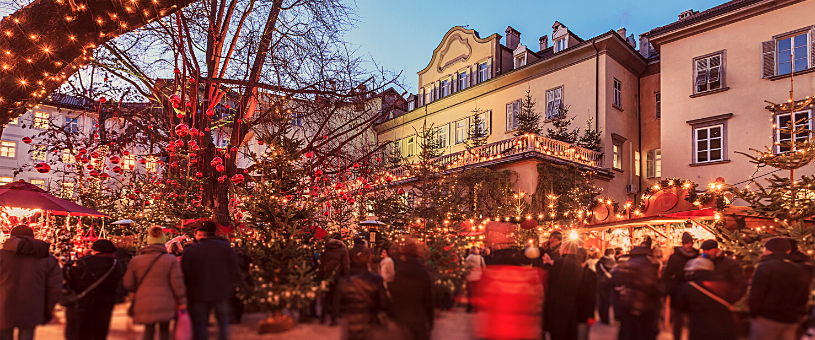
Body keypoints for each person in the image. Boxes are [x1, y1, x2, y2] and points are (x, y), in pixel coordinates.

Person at [124, 226, 187, 340]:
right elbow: (177, 283)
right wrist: (182, 301)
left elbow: (128, 283)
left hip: (144, 300)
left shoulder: (136, 261)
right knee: (164, 330)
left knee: (148, 329)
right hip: (166, 300)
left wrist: (139, 290)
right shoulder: (170, 260)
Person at [181, 221, 240, 340]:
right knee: (223, 320)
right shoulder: (225, 247)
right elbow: (234, 268)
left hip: (198, 291)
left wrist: (189, 286)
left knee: (200, 323)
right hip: (221, 289)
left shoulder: (192, 249)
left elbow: (185, 271)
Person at [0, 226, 62, 340]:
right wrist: (47, 310)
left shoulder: (2, 256)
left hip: (3, 309)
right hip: (33, 308)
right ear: (32, 237)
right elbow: (55, 288)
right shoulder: (47, 259)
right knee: (26, 336)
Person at [475, 246, 545, 340]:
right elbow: (538, 304)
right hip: (523, 329)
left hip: (498, 330)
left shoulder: (494, 280)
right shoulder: (533, 278)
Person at [64, 239, 126, 340]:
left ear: (96, 251)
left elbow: (69, 275)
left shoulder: (86, 262)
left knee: (78, 334)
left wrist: (68, 264)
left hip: (83, 305)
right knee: (98, 334)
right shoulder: (116, 265)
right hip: (104, 306)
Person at [748, 237, 809, 340]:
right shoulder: (798, 269)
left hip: (767, 319)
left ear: (768, 250)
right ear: (788, 251)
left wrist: (754, 313)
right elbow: (804, 295)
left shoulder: (765, 267)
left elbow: (756, 294)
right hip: (791, 320)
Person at [336, 241, 392, 340]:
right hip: (370, 326)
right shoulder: (376, 280)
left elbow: (338, 307)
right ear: (368, 261)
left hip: (350, 327)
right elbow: (385, 304)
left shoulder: (345, 282)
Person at [677, 257, 737, 340]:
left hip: (700, 330)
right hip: (725, 328)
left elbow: (680, 306)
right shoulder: (722, 284)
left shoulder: (689, 287)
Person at [613, 244, 661, 340]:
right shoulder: (651, 266)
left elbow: (615, 290)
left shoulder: (623, 265)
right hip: (646, 310)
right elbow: (656, 289)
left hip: (627, 308)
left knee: (628, 333)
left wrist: (618, 313)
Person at [388, 239, 433, 340]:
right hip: (417, 320)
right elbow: (428, 301)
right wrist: (430, 323)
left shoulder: (396, 271)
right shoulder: (422, 273)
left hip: (399, 321)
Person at [662, 232, 699, 340]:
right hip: (677, 291)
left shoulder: (696, 255)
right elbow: (667, 274)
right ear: (683, 243)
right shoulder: (675, 257)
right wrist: (668, 289)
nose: (689, 245)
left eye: (690, 242)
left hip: (693, 290)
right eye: (687, 243)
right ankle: (677, 337)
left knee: (693, 319)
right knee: (678, 319)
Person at [544, 240, 583, 340]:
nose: (560, 252)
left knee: (558, 334)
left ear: (565, 250)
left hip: (558, 305)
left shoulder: (560, 263)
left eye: (561, 249)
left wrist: (547, 264)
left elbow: (549, 277)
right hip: (573, 305)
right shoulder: (578, 265)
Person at [319, 233, 350, 325]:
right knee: (336, 297)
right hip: (338, 276)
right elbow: (346, 265)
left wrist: (322, 275)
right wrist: (346, 276)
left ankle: (323, 317)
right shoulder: (343, 250)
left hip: (326, 275)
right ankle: (334, 319)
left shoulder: (325, 248)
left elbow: (321, 263)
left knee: (326, 296)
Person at [576, 248, 597, 340]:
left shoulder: (571, 272)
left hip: (577, 313)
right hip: (583, 314)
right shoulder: (590, 274)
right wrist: (591, 315)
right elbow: (593, 296)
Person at [594, 248, 617, 325]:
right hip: (608, 283)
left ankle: (601, 317)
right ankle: (606, 318)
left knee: (601, 300)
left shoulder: (600, 262)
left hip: (599, 283)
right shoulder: (613, 262)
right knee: (607, 301)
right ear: (612, 254)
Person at [464, 247, 485, 313]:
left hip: (469, 277)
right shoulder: (481, 258)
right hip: (478, 277)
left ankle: (469, 308)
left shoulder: (468, 258)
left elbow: (465, 267)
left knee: (469, 293)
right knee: (477, 293)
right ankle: (476, 308)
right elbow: (484, 268)